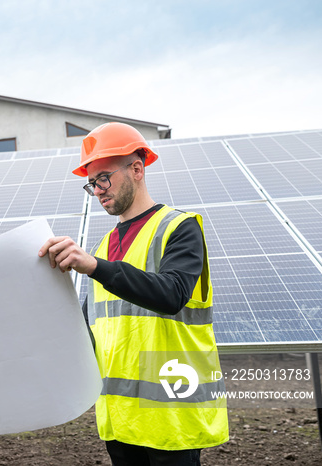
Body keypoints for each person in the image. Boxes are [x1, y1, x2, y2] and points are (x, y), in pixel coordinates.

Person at [38, 122, 228, 466]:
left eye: (104, 178)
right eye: (91, 183)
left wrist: (95, 266)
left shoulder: (179, 227)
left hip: (171, 417)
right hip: (121, 421)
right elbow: (86, 327)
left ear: (137, 169)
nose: (97, 190)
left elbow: (171, 294)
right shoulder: (104, 247)